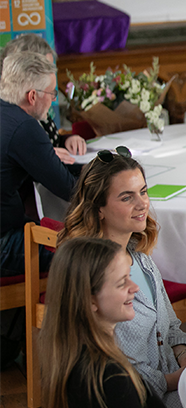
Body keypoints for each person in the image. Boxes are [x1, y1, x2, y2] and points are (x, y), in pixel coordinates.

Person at [58, 148, 186, 408]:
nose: (142, 203)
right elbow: (114, 373)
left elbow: (171, 326)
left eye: (143, 192)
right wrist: (173, 381)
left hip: (175, 384)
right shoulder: (96, 282)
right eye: (127, 197)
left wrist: (185, 354)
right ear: (98, 208)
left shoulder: (142, 261)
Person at [39, 237, 186, 408]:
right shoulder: (109, 378)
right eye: (122, 283)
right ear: (90, 300)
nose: (135, 288)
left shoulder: (75, 356)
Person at [0, 51, 79, 367]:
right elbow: (69, 189)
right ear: (32, 96)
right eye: (51, 93)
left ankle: (9, 346)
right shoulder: (24, 127)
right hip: (4, 246)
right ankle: (68, 359)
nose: (52, 101)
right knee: (86, 251)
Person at [0, 34, 87, 163]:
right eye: (45, 68)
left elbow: (51, 140)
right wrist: (43, 155)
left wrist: (67, 140)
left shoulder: (37, 106)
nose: (51, 75)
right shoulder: (11, 114)